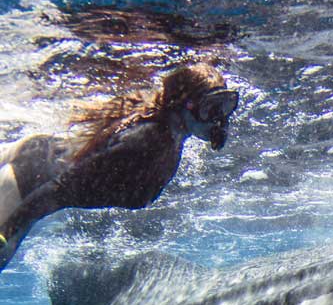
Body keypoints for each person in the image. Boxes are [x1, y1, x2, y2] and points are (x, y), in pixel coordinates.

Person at [0, 62, 238, 271]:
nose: (220, 118)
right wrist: (7, 231)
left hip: (40, 156)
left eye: (226, 106)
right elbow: (59, 189)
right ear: (185, 105)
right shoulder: (145, 140)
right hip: (29, 174)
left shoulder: (172, 135)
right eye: (211, 108)